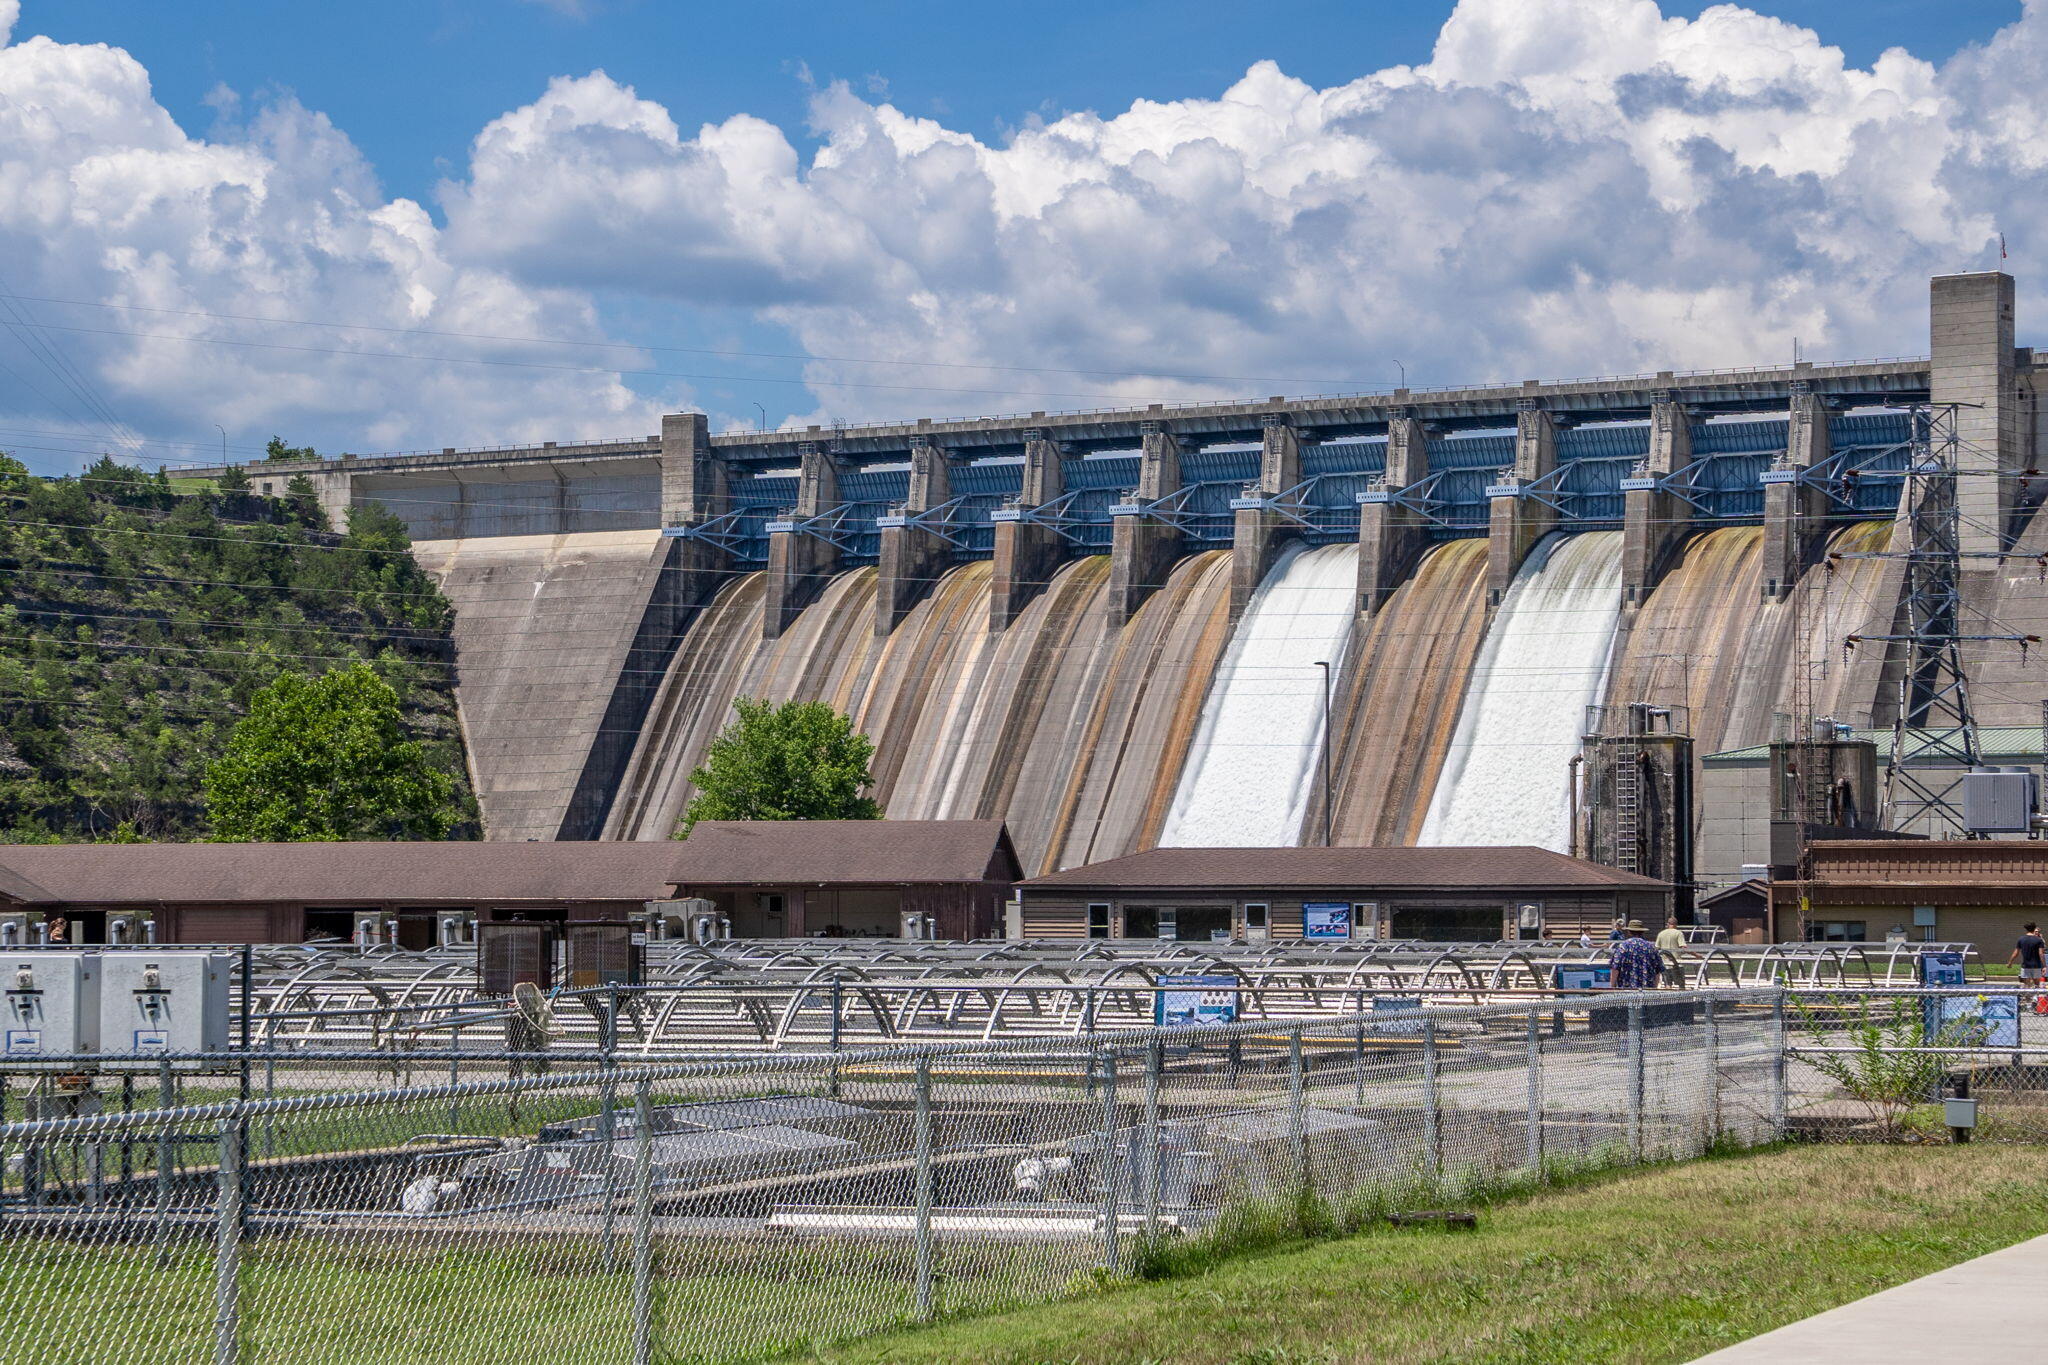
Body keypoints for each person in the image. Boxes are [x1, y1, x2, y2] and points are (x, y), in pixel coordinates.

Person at [1607, 919, 1663, 991]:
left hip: (1625, 991)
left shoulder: (1623, 947)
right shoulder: (1651, 947)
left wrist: (1612, 987)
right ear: (1642, 932)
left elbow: (1615, 968)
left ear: (1629, 932)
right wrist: (1654, 988)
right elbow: (1658, 970)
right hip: (1647, 992)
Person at [2010, 922, 2046, 1005]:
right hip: (2036, 965)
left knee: (2027, 984)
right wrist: (2044, 966)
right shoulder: (2039, 940)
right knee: (2037, 984)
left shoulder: (2021, 939)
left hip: (2025, 965)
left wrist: (2010, 962)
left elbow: (2016, 952)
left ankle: (2028, 1003)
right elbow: (2041, 954)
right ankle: (2035, 1000)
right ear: (2034, 930)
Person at [1655, 916, 1687, 987]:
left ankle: (1668, 997)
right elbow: (1683, 947)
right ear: (1676, 924)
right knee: (1681, 984)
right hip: (1677, 963)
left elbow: (1656, 948)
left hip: (1665, 963)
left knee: (1667, 984)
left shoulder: (1661, 934)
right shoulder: (1678, 933)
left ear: (1668, 924)